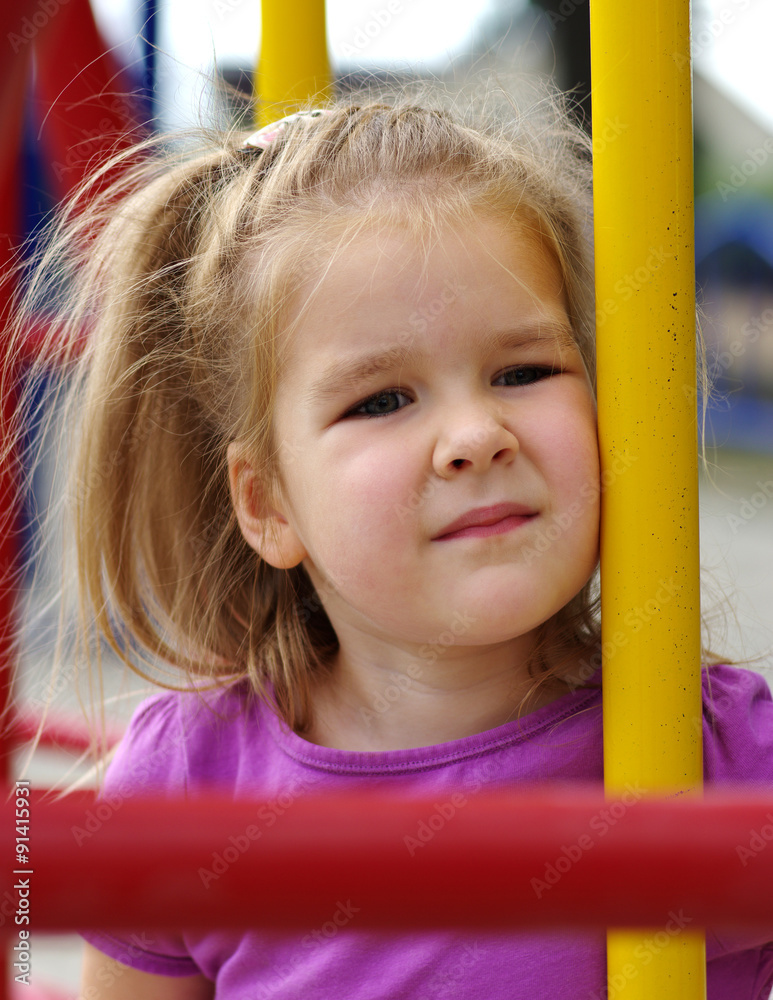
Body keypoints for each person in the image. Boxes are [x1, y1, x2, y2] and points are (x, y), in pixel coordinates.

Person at [9, 81, 773, 999]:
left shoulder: (725, 755)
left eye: (523, 369)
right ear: (267, 506)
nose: (473, 435)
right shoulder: (188, 784)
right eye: (380, 399)